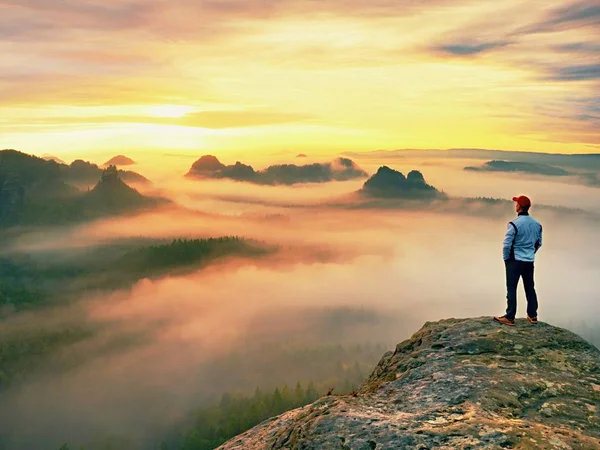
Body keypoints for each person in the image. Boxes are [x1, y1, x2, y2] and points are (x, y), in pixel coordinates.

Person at [494, 195, 543, 326]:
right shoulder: (537, 225)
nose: (515, 205)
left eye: (516, 203)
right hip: (529, 260)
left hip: (514, 260)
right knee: (529, 287)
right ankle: (533, 315)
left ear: (519, 207)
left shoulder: (514, 224)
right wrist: (531, 253)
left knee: (511, 288)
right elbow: (539, 243)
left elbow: (507, 244)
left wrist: (506, 259)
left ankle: (510, 317)